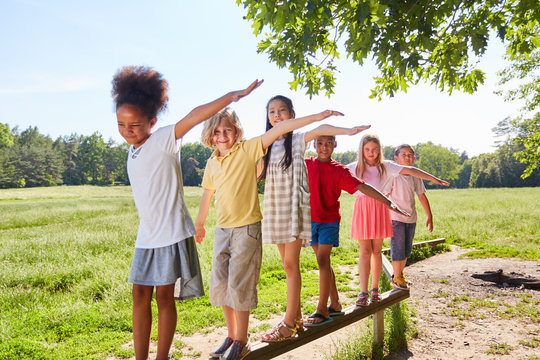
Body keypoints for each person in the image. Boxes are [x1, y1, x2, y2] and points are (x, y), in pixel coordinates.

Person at [112, 65, 262, 360]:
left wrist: (234, 96)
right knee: (139, 296)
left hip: (170, 233)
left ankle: (161, 357)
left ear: (152, 121)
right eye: (121, 124)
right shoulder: (133, 150)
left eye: (135, 125)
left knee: (164, 297)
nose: (127, 131)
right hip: (147, 235)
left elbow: (196, 115)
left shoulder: (164, 139)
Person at [195, 105, 343, 359]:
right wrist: (199, 223)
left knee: (239, 285)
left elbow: (282, 128)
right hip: (222, 230)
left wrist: (319, 117)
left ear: (237, 132)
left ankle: (242, 340)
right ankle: (231, 336)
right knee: (221, 285)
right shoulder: (212, 163)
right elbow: (208, 193)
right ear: (210, 134)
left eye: (227, 130)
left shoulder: (247, 149)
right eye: (217, 131)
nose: (222, 135)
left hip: (246, 229)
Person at [258, 95, 356, 341]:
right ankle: (297, 318)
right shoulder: (266, 146)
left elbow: (321, 129)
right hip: (275, 208)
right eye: (272, 111)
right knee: (286, 265)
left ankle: (289, 323)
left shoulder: (298, 141)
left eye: (282, 110)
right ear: (267, 117)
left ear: (292, 115)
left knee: (291, 265)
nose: (277, 115)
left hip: (293, 209)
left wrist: (344, 128)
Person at [304, 135, 409, 325]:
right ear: (313, 144)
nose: (324, 147)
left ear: (335, 145)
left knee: (322, 259)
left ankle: (322, 309)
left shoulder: (339, 170)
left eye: (329, 143)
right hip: (310, 220)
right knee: (323, 261)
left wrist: (388, 203)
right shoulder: (306, 163)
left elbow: (363, 186)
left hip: (329, 220)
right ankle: (335, 304)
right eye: (319, 143)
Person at [347, 134, 449, 306]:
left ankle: (375, 289)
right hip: (362, 209)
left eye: (374, 149)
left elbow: (411, 170)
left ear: (379, 150)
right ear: (362, 150)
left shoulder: (386, 166)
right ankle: (363, 292)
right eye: (367, 150)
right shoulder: (354, 167)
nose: (371, 153)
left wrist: (433, 178)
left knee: (377, 251)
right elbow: (333, 174)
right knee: (365, 251)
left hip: (380, 208)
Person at [389, 144, 435, 290]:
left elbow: (421, 196)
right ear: (396, 158)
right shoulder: (393, 175)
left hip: (411, 218)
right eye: (404, 155)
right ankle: (396, 278)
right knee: (397, 247)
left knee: (406, 249)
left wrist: (429, 215)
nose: (407, 157)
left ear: (414, 159)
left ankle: (399, 274)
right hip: (396, 218)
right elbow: (384, 194)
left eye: (410, 155)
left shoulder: (416, 176)